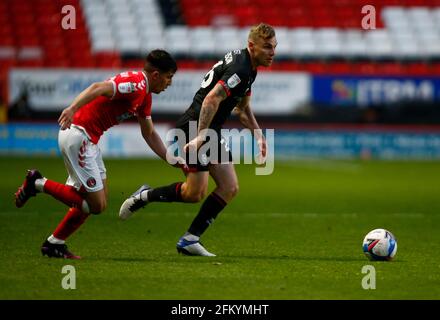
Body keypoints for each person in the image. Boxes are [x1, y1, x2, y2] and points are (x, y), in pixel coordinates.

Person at [119, 23, 277, 256]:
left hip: (209, 130)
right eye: (267, 47)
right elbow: (211, 100)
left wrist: (258, 135)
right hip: (195, 127)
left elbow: (242, 109)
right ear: (252, 46)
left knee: (229, 187)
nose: (272, 52)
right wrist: (201, 135)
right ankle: (144, 196)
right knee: (194, 193)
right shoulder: (241, 69)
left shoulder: (249, 68)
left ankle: (190, 239)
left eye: (274, 47)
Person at [14, 49, 186, 259]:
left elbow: (149, 133)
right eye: (169, 77)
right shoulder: (135, 84)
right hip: (79, 136)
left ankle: (54, 243)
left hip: (89, 141)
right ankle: (37, 183)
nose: (170, 83)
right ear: (156, 75)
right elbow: (98, 87)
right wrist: (72, 108)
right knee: (95, 205)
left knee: (97, 200)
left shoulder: (145, 96)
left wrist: (171, 159)